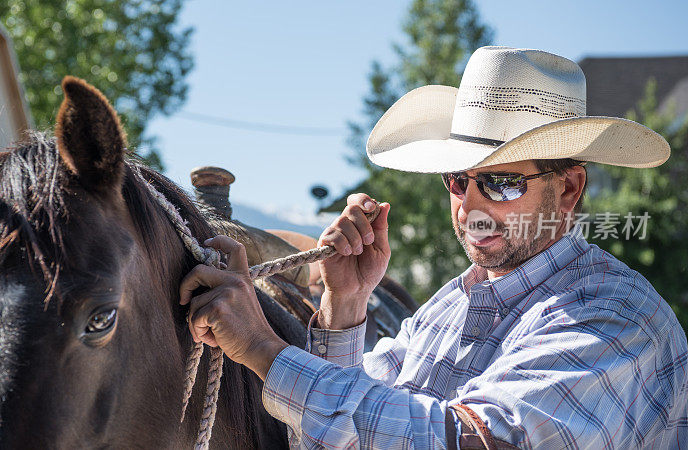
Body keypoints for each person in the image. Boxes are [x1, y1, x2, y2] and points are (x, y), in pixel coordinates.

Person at [179, 47, 688, 448]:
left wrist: (262, 349)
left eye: (501, 183)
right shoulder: (446, 309)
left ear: (570, 190)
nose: (470, 206)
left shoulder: (615, 316)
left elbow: (471, 440)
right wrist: (345, 305)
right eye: (458, 180)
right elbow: (327, 435)